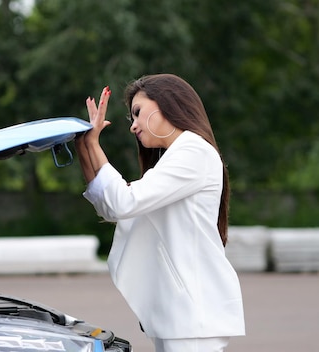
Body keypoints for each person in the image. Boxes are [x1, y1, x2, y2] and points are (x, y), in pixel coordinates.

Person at [75, 73, 245, 352]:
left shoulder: (193, 152)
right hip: (180, 314)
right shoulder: (179, 157)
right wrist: (84, 147)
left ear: (166, 103)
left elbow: (122, 203)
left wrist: (93, 144)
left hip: (191, 315)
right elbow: (111, 207)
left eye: (138, 113)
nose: (133, 126)